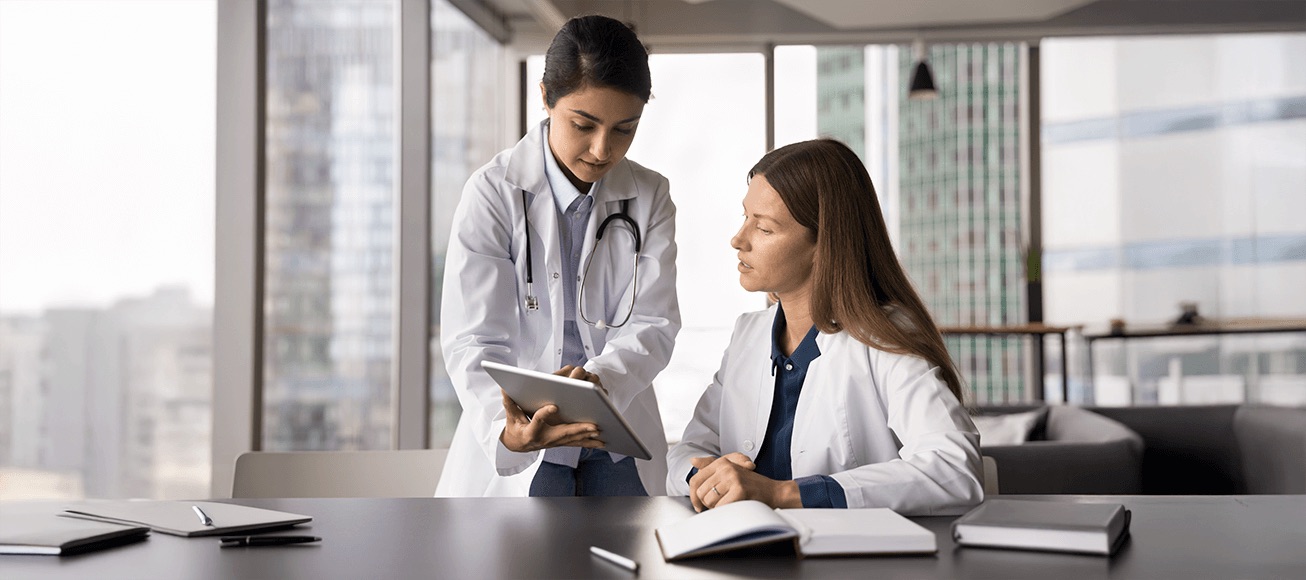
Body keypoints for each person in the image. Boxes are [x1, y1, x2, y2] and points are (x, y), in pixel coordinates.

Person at [666, 139, 983, 515]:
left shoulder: (884, 338)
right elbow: (690, 450)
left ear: (823, 244)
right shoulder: (748, 334)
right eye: (745, 217)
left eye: (764, 229)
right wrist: (702, 477)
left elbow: (954, 469)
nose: (739, 240)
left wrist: (781, 494)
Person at [436, 15, 679, 497]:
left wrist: (597, 381)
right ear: (546, 96)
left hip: (614, 436)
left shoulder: (649, 195)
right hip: (527, 438)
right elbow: (472, 339)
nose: (602, 148)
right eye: (583, 125)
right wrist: (506, 429)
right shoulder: (494, 192)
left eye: (624, 130)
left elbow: (654, 323)